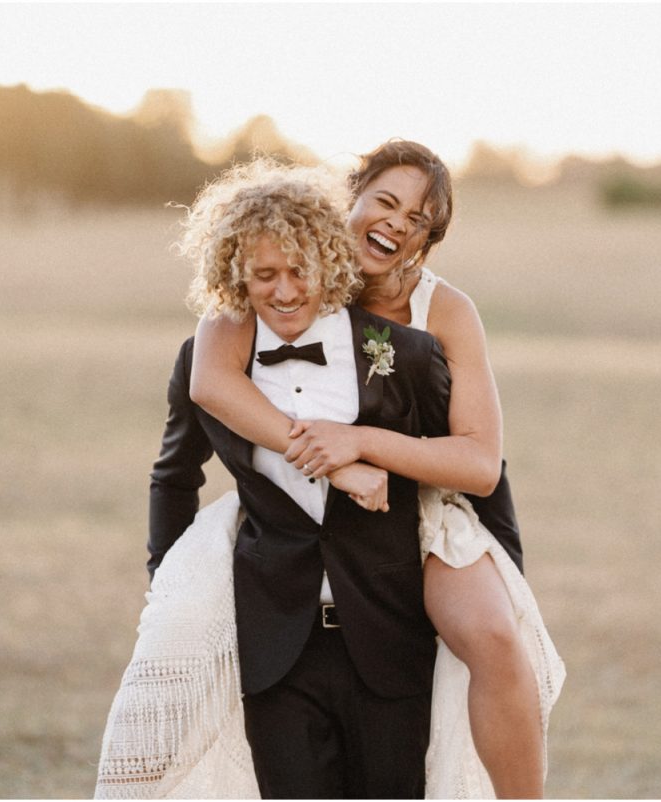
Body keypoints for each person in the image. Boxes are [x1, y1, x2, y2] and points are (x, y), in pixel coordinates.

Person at [186, 140, 560, 798]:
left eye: (418, 221)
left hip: (424, 509)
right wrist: (320, 454)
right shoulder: (292, 267)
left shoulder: (445, 310)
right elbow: (210, 374)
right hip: (311, 518)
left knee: (497, 639)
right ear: (350, 196)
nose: (396, 223)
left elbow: (478, 462)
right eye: (385, 202)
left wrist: (360, 444)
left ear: (425, 243)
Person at [97, 162, 453, 799]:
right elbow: (173, 477)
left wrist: (504, 584)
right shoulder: (206, 363)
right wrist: (169, 591)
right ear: (237, 275)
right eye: (265, 275)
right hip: (275, 646)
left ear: (331, 265)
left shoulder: (403, 355)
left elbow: (468, 469)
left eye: (300, 272)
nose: (285, 292)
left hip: (389, 640)